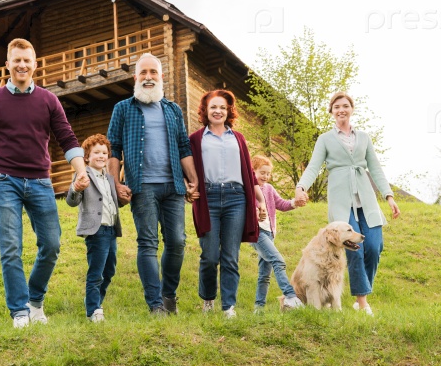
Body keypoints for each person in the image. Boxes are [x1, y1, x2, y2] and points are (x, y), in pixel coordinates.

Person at [0, 38, 89, 328]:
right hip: (5, 180)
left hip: (40, 182)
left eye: (27, 60)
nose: (22, 65)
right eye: (16, 60)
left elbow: (67, 137)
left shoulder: (48, 100)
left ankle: (35, 301)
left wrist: (80, 171)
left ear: (35, 64)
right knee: (11, 248)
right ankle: (20, 312)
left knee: (52, 244)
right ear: (7, 64)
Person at [107, 53, 199, 315]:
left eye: (153, 72)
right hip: (142, 186)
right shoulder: (123, 109)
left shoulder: (173, 110)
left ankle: (168, 295)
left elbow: (183, 146)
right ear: (136, 77)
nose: (148, 77)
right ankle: (155, 304)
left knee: (177, 242)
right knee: (147, 243)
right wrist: (115, 184)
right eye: (143, 73)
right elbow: (114, 147)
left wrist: (193, 179)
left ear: (161, 77)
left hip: (173, 186)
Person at [295, 91, 400, 316]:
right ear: (332, 112)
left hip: (367, 200)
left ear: (351, 109)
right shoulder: (325, 139)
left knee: (373, 246)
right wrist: (301, 187)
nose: (341, 110)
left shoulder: (364, 137)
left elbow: (376, 168)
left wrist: (388, 196)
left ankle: (363, 291)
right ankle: (362, 303)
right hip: (342, 202)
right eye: (336, 107)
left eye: (345, 106)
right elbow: (314, 166)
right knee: (355, 249)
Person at [189, 89, 267, 319]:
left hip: (236, 198)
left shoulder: (238, 138)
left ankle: (228, 307)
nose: (218, 111)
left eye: (223, 107)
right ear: (205, 110)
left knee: (230, 256)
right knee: (210, 256)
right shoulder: (196, 138)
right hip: (208, 198)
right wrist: (188, 186)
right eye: (213, 107)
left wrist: (260, 201)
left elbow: (248, 173)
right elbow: (188, 168)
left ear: (228, 111)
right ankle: (208, 300)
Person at [66, 134, 121, 323]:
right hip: (96, 231)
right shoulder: (83, 175)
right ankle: (93, 310)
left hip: (111, 230)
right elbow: (71, 201)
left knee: (109, 271)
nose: (101, 156)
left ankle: (97, 302)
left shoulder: (110, 178)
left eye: (104, 153)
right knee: (96, 272)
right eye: (96, 152)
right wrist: (76, 187)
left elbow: (112, 203)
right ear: (87, 157)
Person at [250, 155, 306, 313]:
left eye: (268, 173)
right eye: (262, 172)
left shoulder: (269, 189)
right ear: (252, 171)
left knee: (264, 274)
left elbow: (281, 203)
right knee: (278, 260)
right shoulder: (248, 189)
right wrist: (253, 211)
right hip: (256, 232)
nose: (265, 176)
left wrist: (295, 202)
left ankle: (258, 308)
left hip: (269, 233)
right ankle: (290, 296)